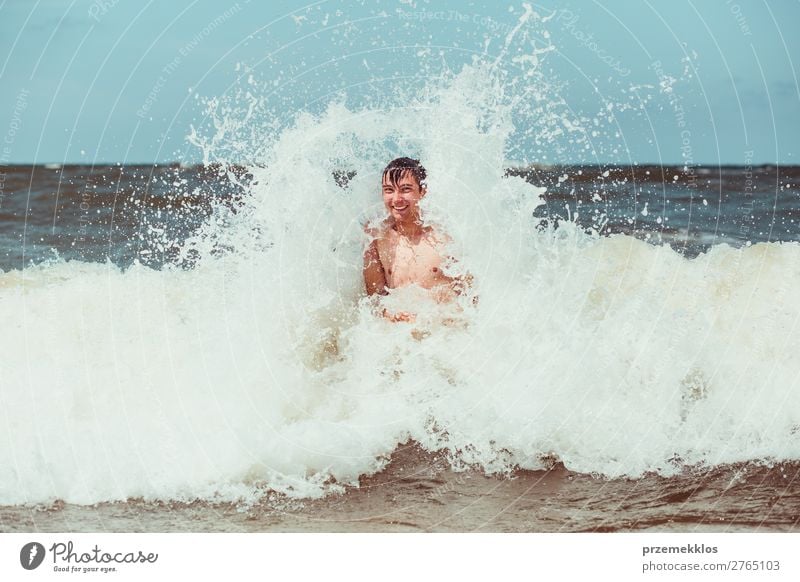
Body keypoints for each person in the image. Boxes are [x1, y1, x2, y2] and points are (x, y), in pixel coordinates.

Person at [363, 157, 472, 323]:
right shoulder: (377, 238)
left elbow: (472, 301)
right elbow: (374, 301)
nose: (397, 199)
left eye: (405, 189)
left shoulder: (445, 238)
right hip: (399, 338)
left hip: (442, 336)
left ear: (422, 191)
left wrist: (431, 319)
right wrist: (390, 315)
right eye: (389, 190)